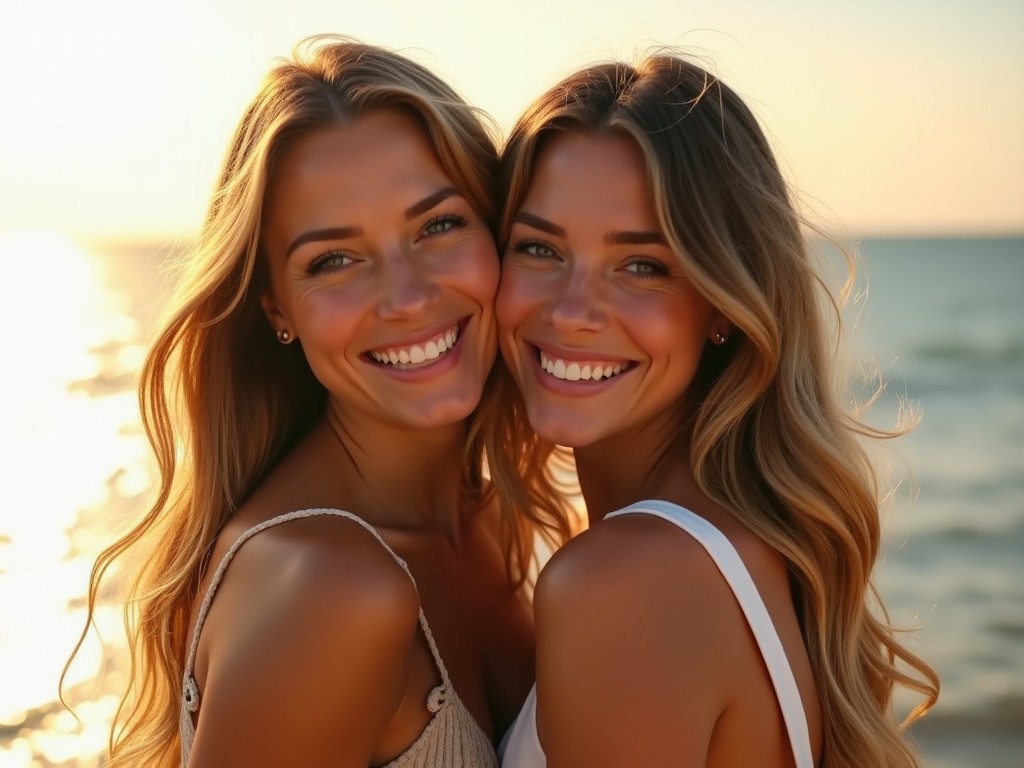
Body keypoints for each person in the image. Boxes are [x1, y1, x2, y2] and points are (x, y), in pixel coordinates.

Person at [65, 36, 573, 768]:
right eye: (334, 260)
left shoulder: (489, 516)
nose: (406, 297)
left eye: (438, 225)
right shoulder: (326, 586)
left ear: (497, 232)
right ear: (278, 309)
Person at [495, 52, 940, 767]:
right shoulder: (740, 549)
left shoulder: (626, 583)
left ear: (722, 305)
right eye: (539, 248)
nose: (573, 311)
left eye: (643, 265)